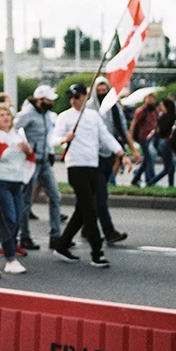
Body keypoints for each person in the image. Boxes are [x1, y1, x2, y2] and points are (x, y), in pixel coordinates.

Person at [51, 83, 127, 268]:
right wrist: (63, 139)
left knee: (82, 209)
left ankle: (62, 245)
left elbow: (106, 137)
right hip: (76, 167)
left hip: (93, 165)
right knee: (90, 209)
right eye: (71, 96)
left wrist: (121, 154)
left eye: (77, 96)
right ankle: (96, 252)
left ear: (85, 96)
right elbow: (52, 140)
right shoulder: (65, 117)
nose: (74, 100)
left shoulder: (93, 116)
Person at [0, 103, 31, 275]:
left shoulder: (16, 135)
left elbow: (27, 157)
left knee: (16, 219)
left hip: (17, 182)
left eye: (8, 114)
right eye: (1, 115)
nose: (5, 118)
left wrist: (27, 150)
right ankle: (10, 258)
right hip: (0, 182)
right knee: (9, 218)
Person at [13, 85, 62, 250]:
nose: (51, 103)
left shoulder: (47, 115)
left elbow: (49, 136)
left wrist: (49, 151)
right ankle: (24, 236)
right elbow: (12, 130)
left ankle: (56, 235)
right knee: (26, 200)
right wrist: (23, 146)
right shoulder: (27, 114)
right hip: (31, 161)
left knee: (55, 196)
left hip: (45, 161)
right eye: (48, 100)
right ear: (40, 100)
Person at [86, 78, 130, 244]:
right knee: (100, 196)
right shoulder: (89, 108)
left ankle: (85, 227)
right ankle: (109, 231)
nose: (103, 93)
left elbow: (118, 130)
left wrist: (125, 152)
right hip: (92, 156)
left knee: (92, 196)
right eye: (100, 90)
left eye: (105, 90)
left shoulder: (113, 107)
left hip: (108, 154)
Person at [129, 92, 159, 187]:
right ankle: (151, 180)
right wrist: (131, 137)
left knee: (147, 159)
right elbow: (134, 124)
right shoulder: (141, 111)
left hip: (152, 137)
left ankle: (136, 177)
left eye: (152, 98)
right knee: (149, 158)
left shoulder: (154, 111)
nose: (150, 100)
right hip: (143, 137)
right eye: (148, 98)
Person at [147, 98, 176, 187]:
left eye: (163, 106)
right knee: (167, 168)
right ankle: (150, 183)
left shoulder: (163, 117)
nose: (161, 108)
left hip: (163, 143)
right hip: (165, 143)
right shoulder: (168, 118)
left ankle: (171, 185)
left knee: (172, 167)